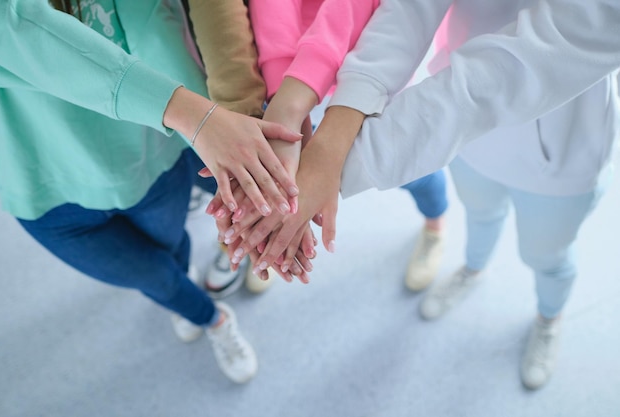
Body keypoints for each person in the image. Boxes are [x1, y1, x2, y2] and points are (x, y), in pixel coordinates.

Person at [234, 0, 620, 389]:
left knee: (545, 256)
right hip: (466, 142)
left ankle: (548, 318)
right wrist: (333, 130)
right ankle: (472, 269)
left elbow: (514, 70)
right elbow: (410, 8)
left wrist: (327, 170)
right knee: (480, 215)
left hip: (560, 159)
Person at [0, 0, 307, 383]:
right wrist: (202, 121)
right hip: (41, 190)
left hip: (145, 162)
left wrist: (241, 151)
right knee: (155, 278)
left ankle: (196, 300)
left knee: (174, 248)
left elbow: (157, 24)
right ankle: (212, 317)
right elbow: (11, 27)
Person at [211, 0, 450, 292]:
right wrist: (283, 96)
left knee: (410, 168)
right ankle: (277, 231)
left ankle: (435, 224)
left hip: (377, 65)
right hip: (287, 75)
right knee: (282, 177)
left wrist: (293, 105)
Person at [183, 0, 268, 298]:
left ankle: (249, 235)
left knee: (252, 176)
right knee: (198, 163)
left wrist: (241, 118)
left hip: (254, 54)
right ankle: (246, 228)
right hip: (176, 62)